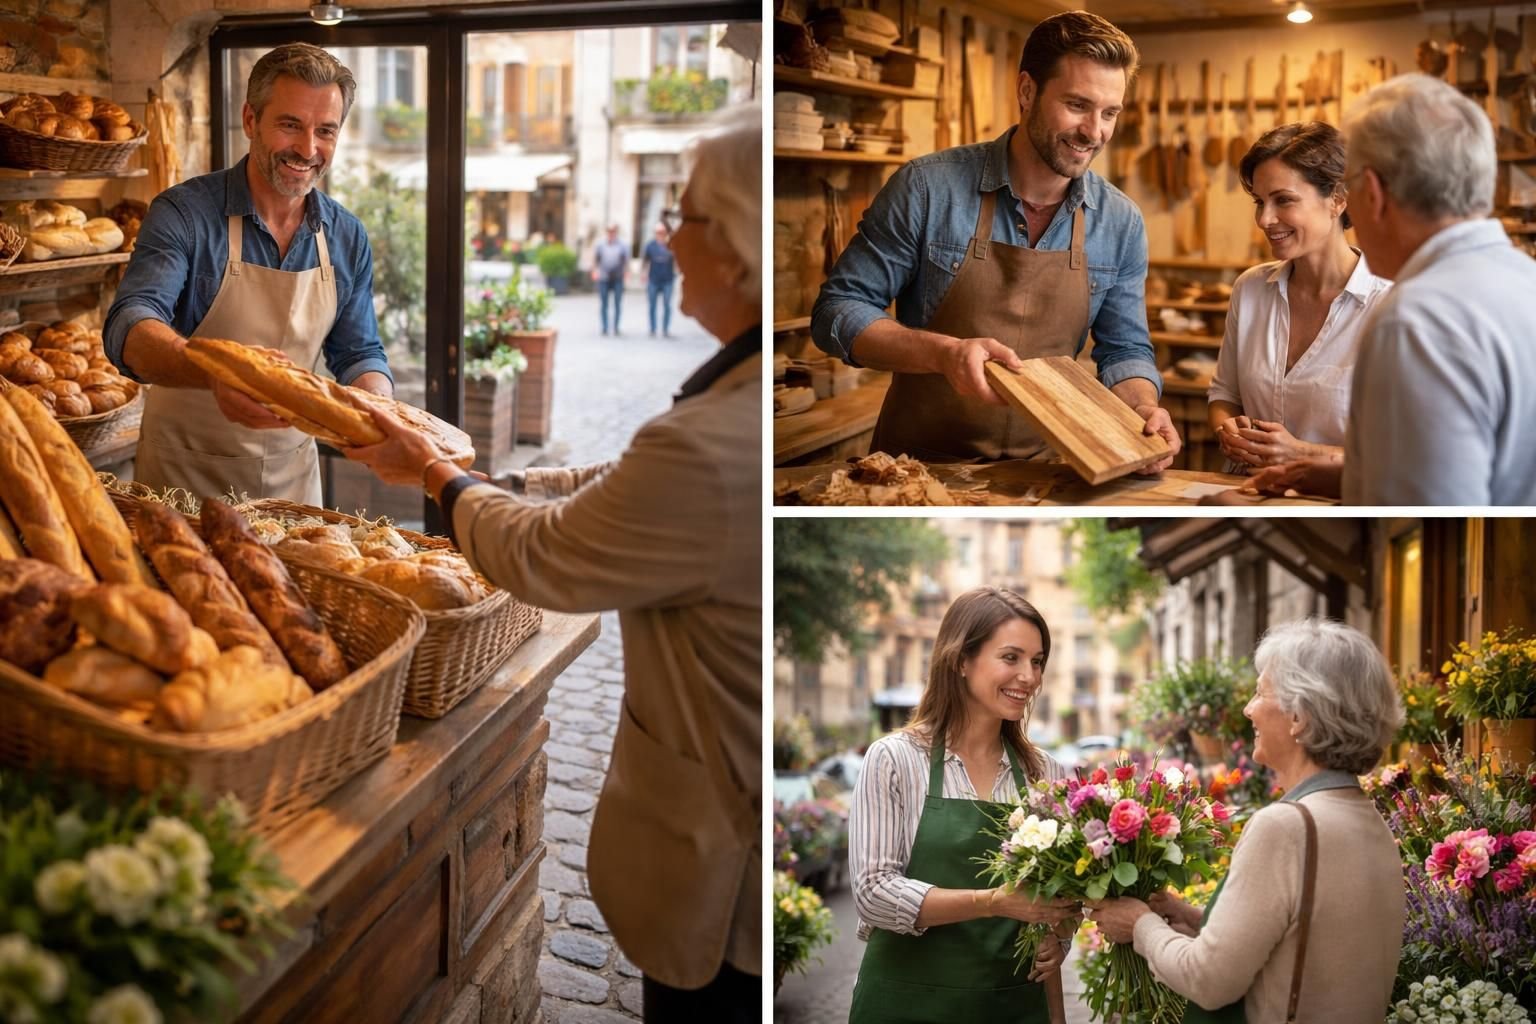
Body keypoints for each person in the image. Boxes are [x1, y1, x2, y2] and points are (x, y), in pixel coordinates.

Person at [341, 107, 761, 1022]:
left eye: (681, 215)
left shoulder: (719, 439)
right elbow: (622, 480)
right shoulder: (744, 393)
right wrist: (503, 479)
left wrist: (441, 481)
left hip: (728, 869)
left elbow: (548, 555)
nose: (665, 236)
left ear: (731, 248)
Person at [810, 11, 1179, 468]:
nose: (1095, 131)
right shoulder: (927, 188)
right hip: (916, 471)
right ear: (1027, 91)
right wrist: (943, 353)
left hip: (1050, 473)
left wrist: (1141, 406)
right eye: (1078, 105)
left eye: (1110, 113)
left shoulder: (1120, 221)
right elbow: (838, 310)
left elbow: (1125, 348)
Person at [104, 42, 393, 506]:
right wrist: (217, 373)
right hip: (183, 487)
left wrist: (381, 409)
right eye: (290, 125)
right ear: (250, 120)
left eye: (326, 131)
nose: (308, 148)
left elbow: (358, 351)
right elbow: (129, 325)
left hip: (292, 490)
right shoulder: (184, 213)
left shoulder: (346, 235)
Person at [1086, 619, 1405, 1023]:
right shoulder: (1365, 816)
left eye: (1260, 692)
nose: (1248, 709)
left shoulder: (1285, 827)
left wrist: (1140, 926)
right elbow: (1307, 944)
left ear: (1298, 717)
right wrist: (1196, 920)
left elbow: (1209, 981)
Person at [1248, 74, 1536, 504]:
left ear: (1374, 195)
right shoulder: (1524, 279)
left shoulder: (1418, 318)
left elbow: (1420, 517)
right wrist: (1327, 475)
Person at [847, 587, 1082, 1022]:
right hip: (905, 1004)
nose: (1028, 677)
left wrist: (1059, 937)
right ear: (960, 660)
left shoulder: (1048, 775)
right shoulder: (894, 759)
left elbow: (1065, 896)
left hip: (1011, 1004)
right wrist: (993, 901)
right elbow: (872, 891)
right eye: (1011, 658)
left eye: (1037, 661)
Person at [1208, 122, 1391, 473]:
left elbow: (1402, 456)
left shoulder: (1390, 307)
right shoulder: (1250, 290)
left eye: (1284, 200)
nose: (1264, 219)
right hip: (1241, 494)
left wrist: (1302, 454)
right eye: (1259, 202)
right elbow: (1224, 396)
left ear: (1338, 199)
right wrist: (1226, 429)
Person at [643, 221, 677, 337]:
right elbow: (646, 262)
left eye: (662, 232)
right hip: (653, 279)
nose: (660, 234)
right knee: (652, 305)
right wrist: (644, 275)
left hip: (668, 279)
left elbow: (676, 261)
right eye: (658, 232)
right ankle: (653, 328)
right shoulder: (650, 246)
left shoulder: (671, 245)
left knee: (667, 305)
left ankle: (665, 329)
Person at [592, 223, 628, 335]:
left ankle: (616, 327)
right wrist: (594, 271)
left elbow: (626, 261)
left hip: (618, 278)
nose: (611, 233)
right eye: (609, 231)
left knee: (617, 303)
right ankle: (604, 327)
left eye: (613, 231)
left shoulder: (623, 245)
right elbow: (596, 259)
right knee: (604, 304)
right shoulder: (600, 244)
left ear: (616, 232)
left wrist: (626, 273)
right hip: (604, 277)